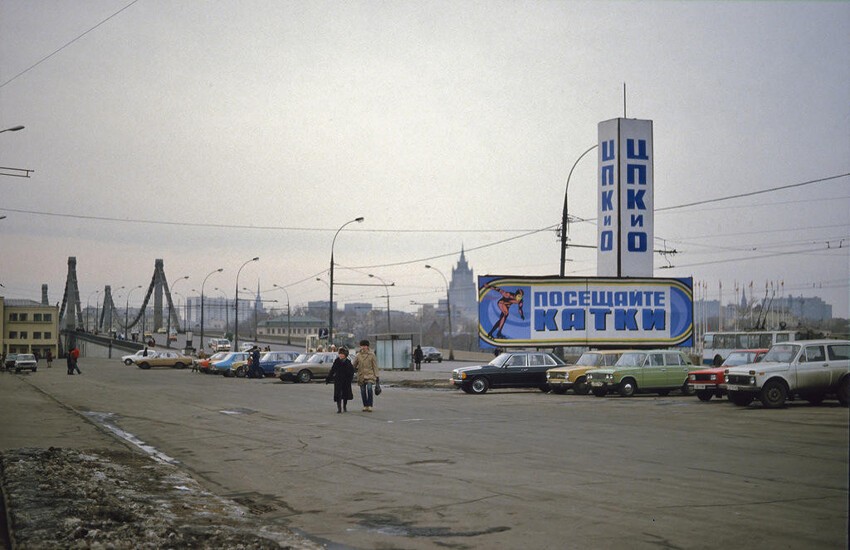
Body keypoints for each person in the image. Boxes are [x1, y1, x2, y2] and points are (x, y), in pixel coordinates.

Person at [353, 339, 379, 412]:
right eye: (362, 346)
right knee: (363, 391)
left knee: (369, 389)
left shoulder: (372, 355)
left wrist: (377, 376)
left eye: (365, 346)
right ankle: (365, 405)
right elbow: (354, 365)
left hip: (370, 375)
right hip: (361, 375)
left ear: (367, 346)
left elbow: (375, 366)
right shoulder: (358, 355)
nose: (363, 347)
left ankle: (370, 405)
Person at [326, 347, 354, 413]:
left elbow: (351, 371)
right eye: (340, 354)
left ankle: (344, 406)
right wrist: (328, 378)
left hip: (346, 381)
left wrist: (350, 379)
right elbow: (332, 370)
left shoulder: (348, 362)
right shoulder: (337, 361)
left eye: (342, 354)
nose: (340, 355)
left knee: (345, 394)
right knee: (338, 394)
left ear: (345, 355)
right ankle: (339, 408)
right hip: (338, 380)